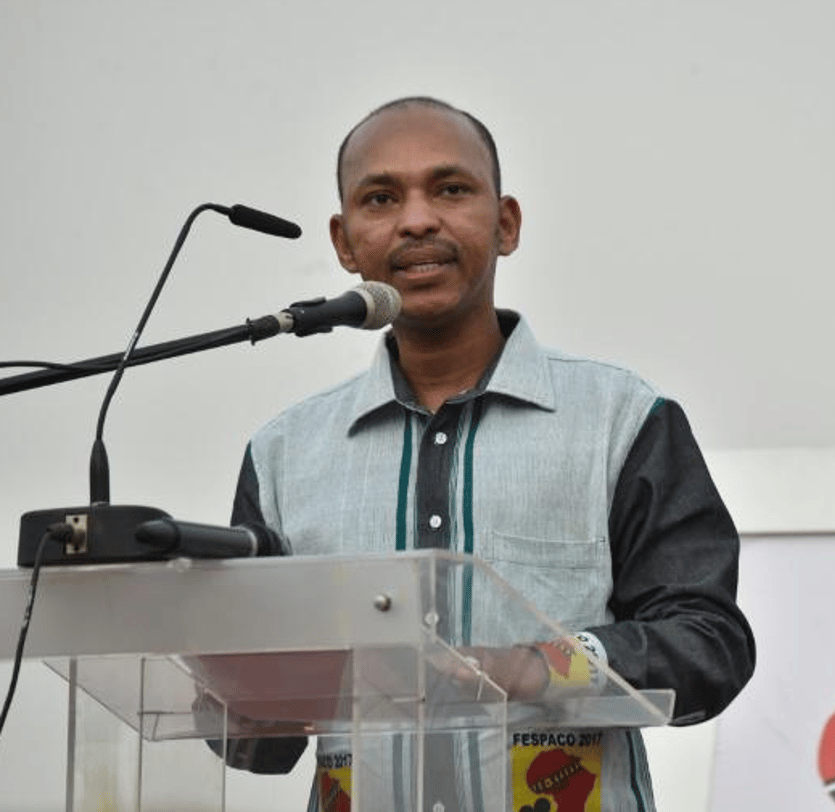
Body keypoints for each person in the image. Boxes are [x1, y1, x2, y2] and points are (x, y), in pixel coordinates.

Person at [218, 96, 755, 812]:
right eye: (381, 198)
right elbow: (257, 738)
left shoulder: (619, 420)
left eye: (449, 189)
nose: (416, 219)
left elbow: (706, 642)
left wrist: (542, 666)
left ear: (505, 224)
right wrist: (209, 659)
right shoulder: (284, 454)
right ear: (345, 243)